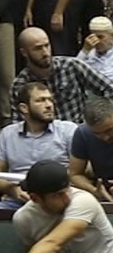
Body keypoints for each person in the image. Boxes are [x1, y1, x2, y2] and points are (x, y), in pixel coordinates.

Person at [11, 28, 113, 124]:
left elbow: (110, 88)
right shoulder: (20, 85)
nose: (45, 52)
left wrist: (101, 121)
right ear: (24, 52)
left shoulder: (71, 65)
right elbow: (17, 124)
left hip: (78, 130)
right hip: (45, 136)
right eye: (38, 48)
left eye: (47, 45)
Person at [0, 83, 77, 211]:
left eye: (50, 99)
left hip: (58, 196)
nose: (49, 105)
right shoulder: (7, 134)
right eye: (40, 100)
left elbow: (78, 173)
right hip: (19, 197)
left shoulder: (68, 130)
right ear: (24, 108)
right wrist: (11, 189)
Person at [75, 17, 113, 84]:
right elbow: (74, 73)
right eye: (93, 37)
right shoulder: (87, 54)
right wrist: (85, 50)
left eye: (100, 37)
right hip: (97, 87)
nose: (96, 41)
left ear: (112, 36)